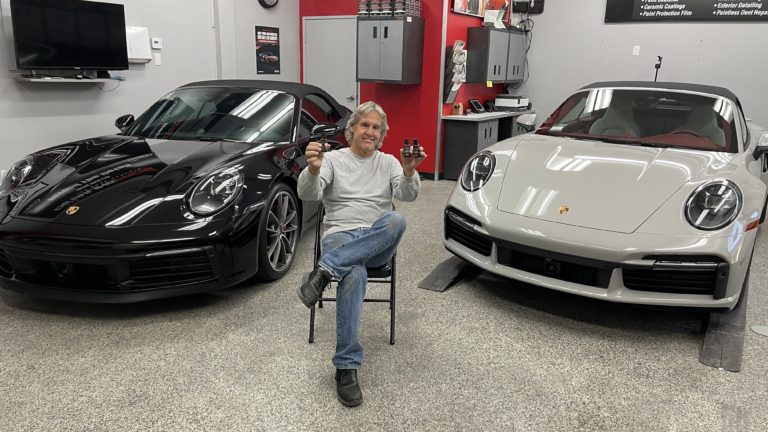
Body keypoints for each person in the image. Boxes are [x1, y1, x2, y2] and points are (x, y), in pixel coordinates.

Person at [296, 101, 427, 407]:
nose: (370, 131)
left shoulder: (390, 162)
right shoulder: (332, 160)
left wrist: (409, 172)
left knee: (396, 220)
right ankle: (346, 367)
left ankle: (324, 271)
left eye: (376, 127)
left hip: (376, 244)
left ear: (382, 134)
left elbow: (408, 196)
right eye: (365, 125)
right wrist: (313, 170)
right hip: (340, 235)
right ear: (351, 128)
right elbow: (309, 194)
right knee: (353, 272)